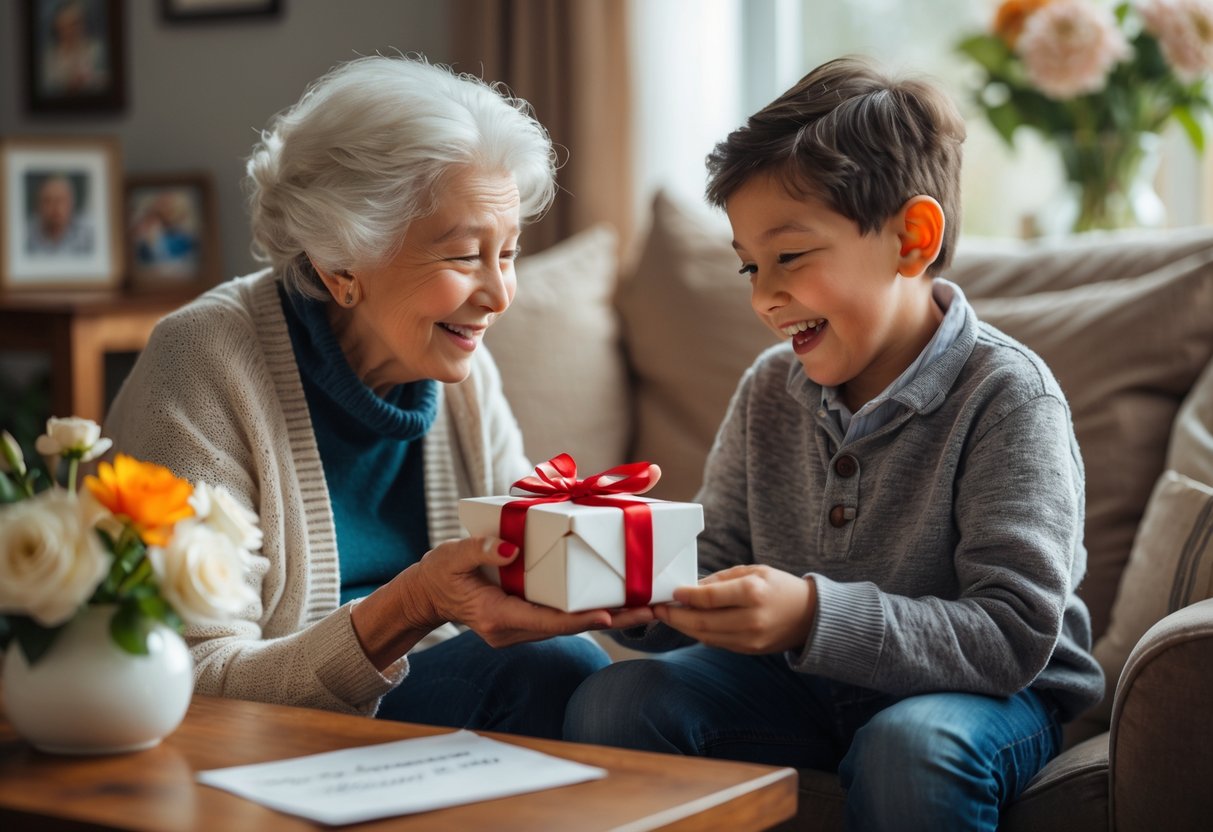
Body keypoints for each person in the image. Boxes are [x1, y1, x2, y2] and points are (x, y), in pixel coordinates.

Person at [563, 56, 1104, 829]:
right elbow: (717, 557)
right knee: (616, 699)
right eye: (749, 265)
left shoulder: (1007, 395)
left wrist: (812, 615)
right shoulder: (768, 389)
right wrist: (634, 585)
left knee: (908, 748)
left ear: (910, 240)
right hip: (800, 685)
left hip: (988, 699)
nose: (761, 296)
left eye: (789, 257)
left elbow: (1009, 635)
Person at [104, 55, 651, 739]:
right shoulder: (203, 361)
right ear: (341, 263)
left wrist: (621, 562)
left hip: (415, 705)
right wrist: (412, 604)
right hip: (264, 725)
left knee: (583, 670)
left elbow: (519, 568)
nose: (500, 294)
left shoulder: (460, 370)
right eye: (462, 255)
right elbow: (193, 678)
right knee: (553, 667)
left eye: (506, 253)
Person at [26, 173, 94, 256]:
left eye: (60, 200)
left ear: (72, 203)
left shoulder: (89, 234)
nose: (55, 207)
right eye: (48, 201)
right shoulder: (25, 235)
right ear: (38, 205)